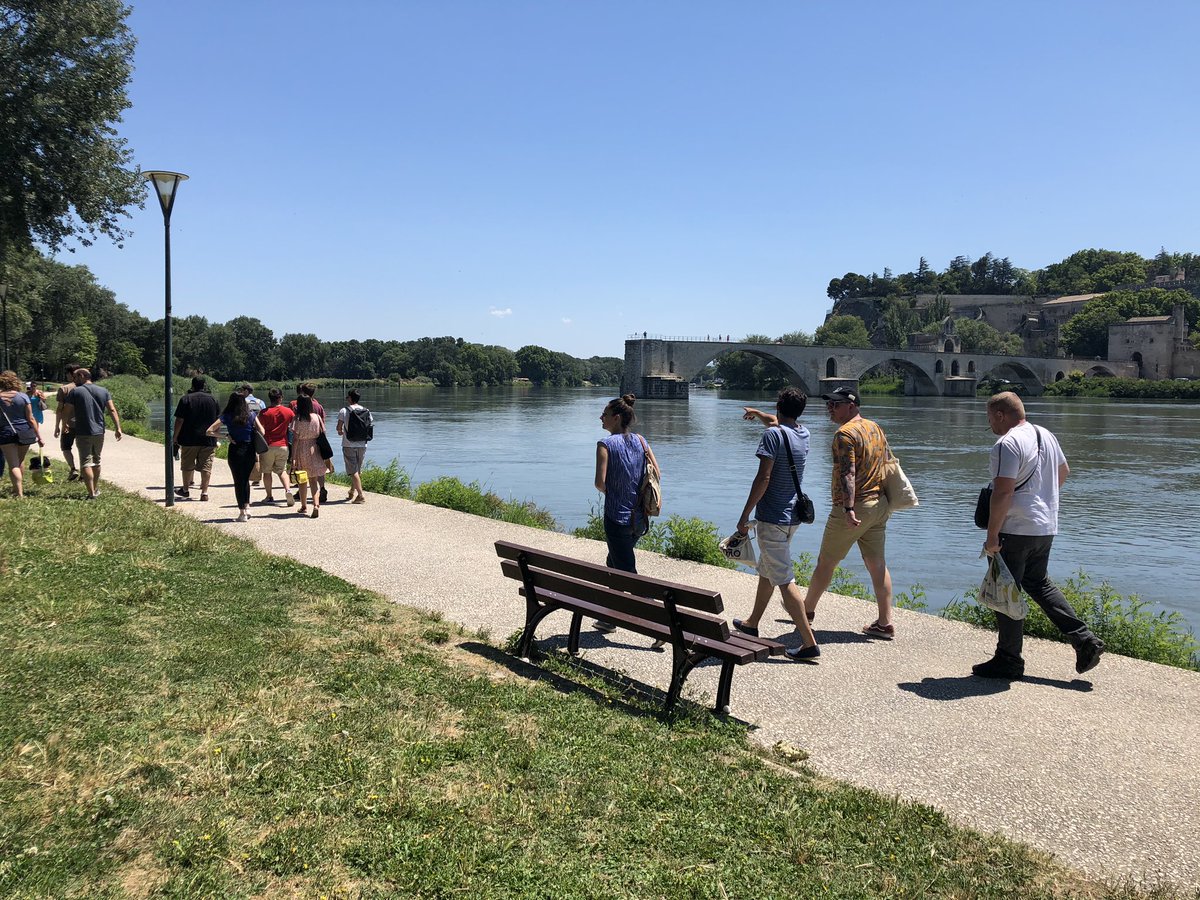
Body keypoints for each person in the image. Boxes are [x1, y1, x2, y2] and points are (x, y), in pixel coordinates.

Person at [974, 391, 1104, 679]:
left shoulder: (1006, 444)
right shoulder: (1045, 434)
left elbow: (1004, 490)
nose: (991, 426)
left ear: (1000, 415)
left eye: (990, 419)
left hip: (1014, 529)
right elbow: (1064, 472)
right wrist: (1042, 500)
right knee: (1038, 582)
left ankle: (1009, 659)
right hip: (1045, 526)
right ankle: (1084, 640)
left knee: (1005, 590)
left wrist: (992, 535)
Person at [731, 388, 820, 662]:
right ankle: (752, 623)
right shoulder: (803, 433)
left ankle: (808, 643)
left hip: (772, 517)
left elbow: (764, 477)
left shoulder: (772, 436)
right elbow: (777, 422)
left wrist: (745, 514)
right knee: (768, 570)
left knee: (783, 578)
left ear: (778, 405)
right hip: (793, 517)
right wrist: (759, 414)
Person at [800, 387, 896, 638]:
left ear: (852, 406)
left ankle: (805, 612)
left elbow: (848, 473)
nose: (830, 409)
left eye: (836, 404)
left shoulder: (845, 434)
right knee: (877, 564)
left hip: (854, 508)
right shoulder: (875, 427)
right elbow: (887, 463)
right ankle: (885, 623)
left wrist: (849, 508)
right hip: (878, 504)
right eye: (829, 404)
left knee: (826, 562)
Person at [59, 368, 121, 500]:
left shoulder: (75, 391)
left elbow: (66, 411)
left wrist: (64, 425)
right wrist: (118, 428)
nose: (74, 381)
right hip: (99, 431)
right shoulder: (103, 391)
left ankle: (91, 493)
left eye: (75, 378)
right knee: (97, 461)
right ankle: (95, 488)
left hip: (83, 431)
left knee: (86, 462)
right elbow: (112, 409)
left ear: (82, 376)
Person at [206, 391, 265, 522]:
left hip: (235, 449)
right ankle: (248, 507)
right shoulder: (251, 414)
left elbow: (209, 431)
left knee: (238, 481)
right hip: (250, 449)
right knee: (245, 480)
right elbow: (262, 431)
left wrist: (225, 436)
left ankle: (242, 512)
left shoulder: (227, 416)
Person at [171, 375, 220, 501]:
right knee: (206, 466)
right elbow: (218, 421)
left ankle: (185, 489)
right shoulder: (213, 400)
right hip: (208, 439)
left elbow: (179, 420)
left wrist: (175, 437)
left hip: (189, 439)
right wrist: (216, 436)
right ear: (204, 386)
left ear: (192, 386)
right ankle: (204, 492)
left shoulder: (185, 399)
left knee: (187, 464)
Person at [0, 371, 44, 497]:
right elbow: (31, 418)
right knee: (20, 461)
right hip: (25, 431)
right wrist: (39, 436)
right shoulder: (23, 397)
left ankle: (18, 493)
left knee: (13, 464)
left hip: (5, 432)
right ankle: (18, 489)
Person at [257, 388, 295, 506]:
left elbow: (259, 429)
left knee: (267, 472)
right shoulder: (288, 411)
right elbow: (293, 425)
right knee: (282, 470)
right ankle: (288, 490)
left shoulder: (264, 412)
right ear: (281, 398)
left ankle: (269, 496)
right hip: (283, 445)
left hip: (268, 445)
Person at [291, 393, 325, 518]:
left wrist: (293, 457)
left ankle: (304, 505)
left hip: (301, 449)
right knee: (314, 480)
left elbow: (295, 440)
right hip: (314, 448)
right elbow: (322, 432)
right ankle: (316, 504)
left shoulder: (297, 419)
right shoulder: (317, 417)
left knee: (302, 479)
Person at [336, 389, 373, 504]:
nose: (347, 399)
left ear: (351, 398)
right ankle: (352, 491)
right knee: (357, 470)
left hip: (348, 444)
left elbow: (339, 427)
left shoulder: (344, 410)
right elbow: (370, 425)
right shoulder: (366, 411)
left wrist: (340, 432)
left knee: (353, 471)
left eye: (348, 397)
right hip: (363, 444)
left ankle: (360, 495)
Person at [53, 363, 81, 481]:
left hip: (68, 424)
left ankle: (73, 468)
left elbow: (60, 409)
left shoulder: (64, 389)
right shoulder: (86, 387)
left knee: (66, 447)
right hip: (84, 424)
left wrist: (57, 426)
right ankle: (85, 473)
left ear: (70, 374)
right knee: (83, 449)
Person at [238, 383, 266, 486]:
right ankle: (257, 477)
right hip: (258, 430)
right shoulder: (260, 402)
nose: (241, 393)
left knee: (246, 454)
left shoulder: (242, 402)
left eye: (242, 391)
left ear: (246, 391)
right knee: (257, 454)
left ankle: (247, 475)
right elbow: (264, 415)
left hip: (246, 430)